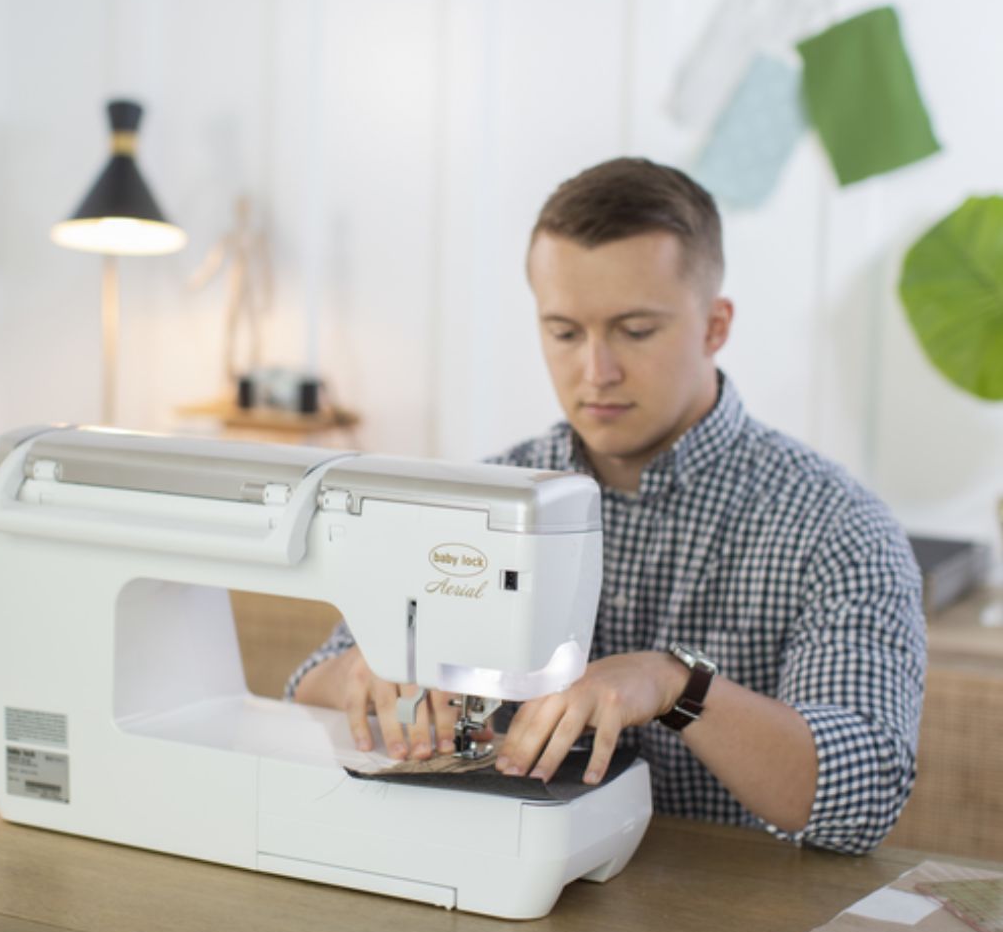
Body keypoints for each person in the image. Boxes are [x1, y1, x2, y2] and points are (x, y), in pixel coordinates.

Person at [287, 158, 926, 854]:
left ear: (716, 325)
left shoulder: (837, 526)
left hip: (730, 929)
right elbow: (311, 682)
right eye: (564, 333)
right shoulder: (480, 494)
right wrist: (363, 672)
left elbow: (864, 794)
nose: (597, 372)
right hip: (492, 884)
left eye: (635, 331)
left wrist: (675, 685)